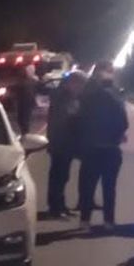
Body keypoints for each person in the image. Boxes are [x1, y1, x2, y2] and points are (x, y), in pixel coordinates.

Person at [76, 61, 128, 230]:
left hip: (91, 147)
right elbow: (123, 122)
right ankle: (108, 221)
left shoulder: (87, 95)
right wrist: (117, 136)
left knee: (87, 186)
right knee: (109, 187)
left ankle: (85, 220)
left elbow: (78, 120)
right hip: (110, 148)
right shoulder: (116, 96)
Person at [45, 71, 87, 218]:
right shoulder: (62, 98)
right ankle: (55, 208)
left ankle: (60, 205)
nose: (81, 89)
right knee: (58, 176)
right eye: (80, 85)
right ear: (73, 83)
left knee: (63, 176)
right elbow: (65, 119)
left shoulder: (67, 96)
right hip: (60, 143)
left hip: (65, 144)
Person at [12, 63, 38, 135]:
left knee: (25, 119)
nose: (29, 72)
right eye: (28, 71)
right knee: (21, 119)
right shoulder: (22, 80)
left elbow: (39, 89)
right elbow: (16, 89)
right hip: (22, 102)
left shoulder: (34, 81)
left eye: (31, 71)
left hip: (28, 103)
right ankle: (24, 132)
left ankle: (25, 133)